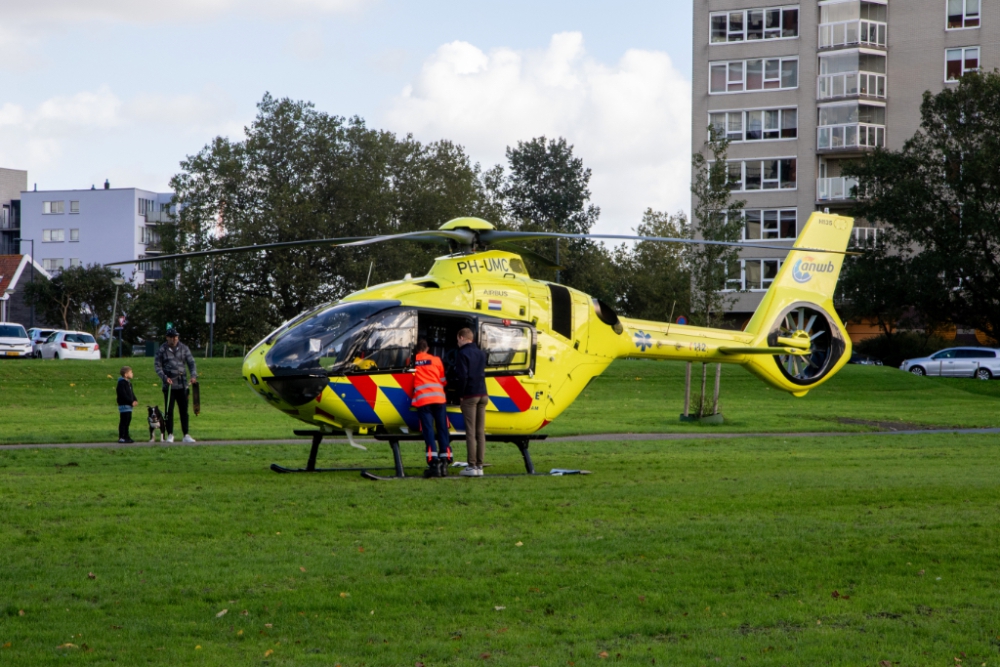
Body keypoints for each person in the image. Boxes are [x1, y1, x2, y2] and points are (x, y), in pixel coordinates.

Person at [412, 339, 451, 478]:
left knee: (428, 430)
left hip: (423, 400)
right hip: (439, 399)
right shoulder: (436, 360)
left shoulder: (412, 361)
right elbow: (443, 381)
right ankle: (445, 460)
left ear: (416, 349)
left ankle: (433, 462)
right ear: (427, 348)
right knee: (442, 428)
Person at [154, 328, 198, 443]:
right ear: (167, 337)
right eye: (172, 337)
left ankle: (186, 434)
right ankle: (170, 434)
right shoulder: (162, 350)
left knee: (184, 411)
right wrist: (164, 377)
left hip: (182, 384)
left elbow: (191, 363)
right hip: (169, 386)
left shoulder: (184, 348)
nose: (174, 339)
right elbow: (157, 366)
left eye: (176, 337)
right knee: (169, 411)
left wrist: (193, 376)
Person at [455, 327, 488, 477]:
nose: (457, 343)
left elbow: (463, 377)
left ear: (462, 338)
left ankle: (471, 465)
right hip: (483, 394)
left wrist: (460, 395)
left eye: (457, 340)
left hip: (470, 395)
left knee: (470, 431)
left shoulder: (462, 353)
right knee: (480, 431)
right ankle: (480, 466)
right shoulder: (481, 353)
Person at [116, 365, 138, 443]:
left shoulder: (129, 383)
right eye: (131, 372)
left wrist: (135, 399)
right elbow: (123, 394)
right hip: (124, 405)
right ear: (126, 374)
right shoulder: (121, 383)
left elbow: (132, 393)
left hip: (129, 405)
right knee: (124, 421)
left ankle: (126, 436)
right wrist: (130, 401)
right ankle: (122, 436)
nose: (132, 374)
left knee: (128, 421)